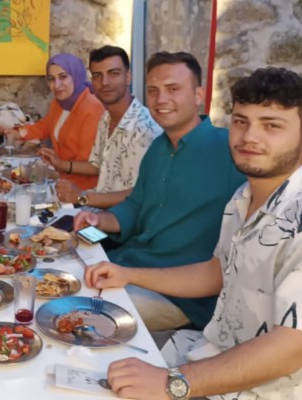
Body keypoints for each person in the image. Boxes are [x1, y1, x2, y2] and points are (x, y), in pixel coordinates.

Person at [86, 67, 302, 400]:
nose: (249, 136)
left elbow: (292, 347)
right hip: (206, 350)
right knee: (85, 351)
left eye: (271, 125)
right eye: (241, 121)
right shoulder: (243, 198)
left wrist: (173, 382)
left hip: (259, 390)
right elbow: (216, 272)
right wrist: (128, 274)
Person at [74, 52, 245, 331]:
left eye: (173, 89)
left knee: (82, 315)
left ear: (198, 95)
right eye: (153, 91)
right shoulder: (158, 148)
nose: (161, 99)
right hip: (129, 263)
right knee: (58, 279)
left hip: (180, 295)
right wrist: (98, 220)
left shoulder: (230, 149)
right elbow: (135, 206)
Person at [56, 45, 161, 208]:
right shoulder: (106, 118)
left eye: (113, 73)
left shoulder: (146, 129)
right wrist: (60, 164)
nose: (104, 82)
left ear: (128, 77)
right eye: (97, 76)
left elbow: (142, 194)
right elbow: (97, 165)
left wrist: (82, 197)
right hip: (96, 210)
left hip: (122, 219)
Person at [5, 53, 105, 190]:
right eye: (51, 79)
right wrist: (18, 132)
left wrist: (60, 165)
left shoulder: (92, 109)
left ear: (76, 75)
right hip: (62, 180)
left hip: (83, 190)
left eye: (63, 77)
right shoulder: (59, 103)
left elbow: (93, 166)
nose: (56, 85)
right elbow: (44, 126)